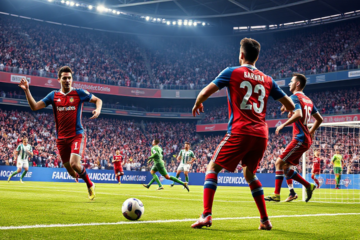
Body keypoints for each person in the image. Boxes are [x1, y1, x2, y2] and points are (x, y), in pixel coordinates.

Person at [191, 38, 295, 230]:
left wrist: (198, 102)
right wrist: (287, 109)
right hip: (261, 135)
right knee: (249, 174)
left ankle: (206, 215)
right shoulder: (268, 79)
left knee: (212, 167)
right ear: (257, 57)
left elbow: (205, 92)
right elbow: (289, 104)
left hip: (240, 131)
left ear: (241, 55)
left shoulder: (232, 72)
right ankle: (265, 220)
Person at [18, 66, 103, 200]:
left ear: (72, 79)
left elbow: (98, 100)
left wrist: (98, 110)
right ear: (59, 79)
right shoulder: (53, 95)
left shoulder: (79, 93)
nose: (67, 80)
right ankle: (81, 176)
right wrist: (27, 90)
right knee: (71, 172)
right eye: (64, 78)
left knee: (75, 164)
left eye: (69, 78)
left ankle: (90, 185)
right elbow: (34, 106)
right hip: (61, 139)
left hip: (77, 135)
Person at [265, 73, 323, 203]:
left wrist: (283, 125)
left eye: (291, 81)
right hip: (305, 139)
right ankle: (308, 186)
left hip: (300, 138)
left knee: (278, 163)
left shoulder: (295, 97)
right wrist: (311, 131)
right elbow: (320, 119)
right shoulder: (308, 100)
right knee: (286, 168)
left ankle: (276, 194)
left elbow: (298, 114)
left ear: (297, 84)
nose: (289, 83)